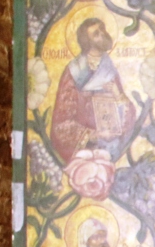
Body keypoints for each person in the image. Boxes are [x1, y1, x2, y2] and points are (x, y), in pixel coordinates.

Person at [51, 18, 138, 163]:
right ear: (87, 41)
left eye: (102, 29)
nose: (102, 34)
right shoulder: (74, 71)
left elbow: (128, 117)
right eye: (96, 33)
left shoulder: (109, 70)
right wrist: (93, 135)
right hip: (83, 152)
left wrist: (118, 95)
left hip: (110, 149)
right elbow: (61, 123)